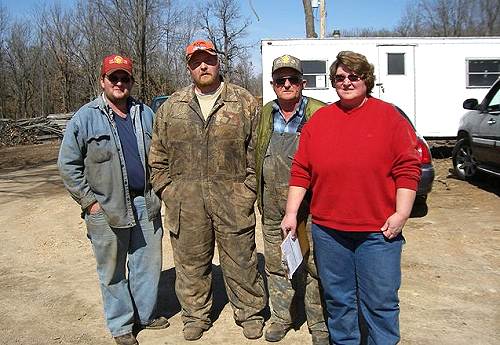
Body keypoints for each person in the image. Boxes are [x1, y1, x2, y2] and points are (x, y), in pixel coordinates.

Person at [281, 50, 421, 345]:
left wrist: (402, 214)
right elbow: (301, 170)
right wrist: (292, 213)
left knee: (380, 304)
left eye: (353, 76)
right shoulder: (320, 121)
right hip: (329, 233)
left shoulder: (389, 117)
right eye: (340, 77)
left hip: (378, 233)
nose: (346, 82)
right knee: (339, 303)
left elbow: (408, 168)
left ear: (366, 79)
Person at [148, 40, 267, 341]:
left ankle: (250, 312)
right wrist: (168, 191)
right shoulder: (171, 107)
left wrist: (247, 190)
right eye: (196, 62)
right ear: (188, 67)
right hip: (186, 203)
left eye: (208, 60)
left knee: (241, 258)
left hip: (232, 199)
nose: (203, 66)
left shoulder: (243, 102)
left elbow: (257, 151)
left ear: (218, 62)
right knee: (190, 262)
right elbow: (157, 156)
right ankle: (195, 315)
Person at [58, 54, 168, 345]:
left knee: (147, 263)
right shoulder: (85, 117)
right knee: (112, 269)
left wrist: (159, 191)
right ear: (102, 81)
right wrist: (89, 202)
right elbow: (68, 164)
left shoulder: (145, 113)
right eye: (113, 77)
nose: (119, 83)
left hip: (145, 201)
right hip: (106, 206)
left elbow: (160, 155)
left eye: (124, 78)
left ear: (131, 81)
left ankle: (145, 314)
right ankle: (121, 325)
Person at [255, 54, 329, 344]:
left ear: (303, 82)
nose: (287, 84)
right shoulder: (265, 113)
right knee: (276, 264)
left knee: (314, 265)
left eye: (293, 79)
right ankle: (281, 316)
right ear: (273, 84)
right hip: (272, 206)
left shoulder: (319, 113)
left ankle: (319, 322)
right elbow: (255, 153)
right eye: (280, 80)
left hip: (311, 208)